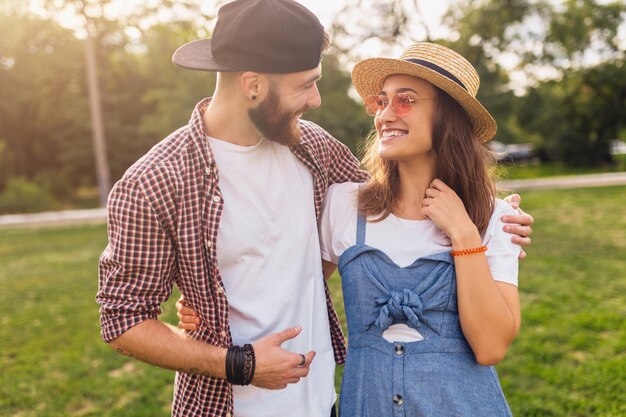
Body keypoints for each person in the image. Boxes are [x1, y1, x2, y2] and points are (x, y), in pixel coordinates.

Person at [97, 1, 533, 416]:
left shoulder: (316, 151)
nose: (316, 100)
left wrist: (492, 223)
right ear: (253, 86)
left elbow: (394, 206)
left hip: (323, 401)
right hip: (229, 407)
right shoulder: (154, 183)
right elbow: (122, 320)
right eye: (306, 84)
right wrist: (235, 360)